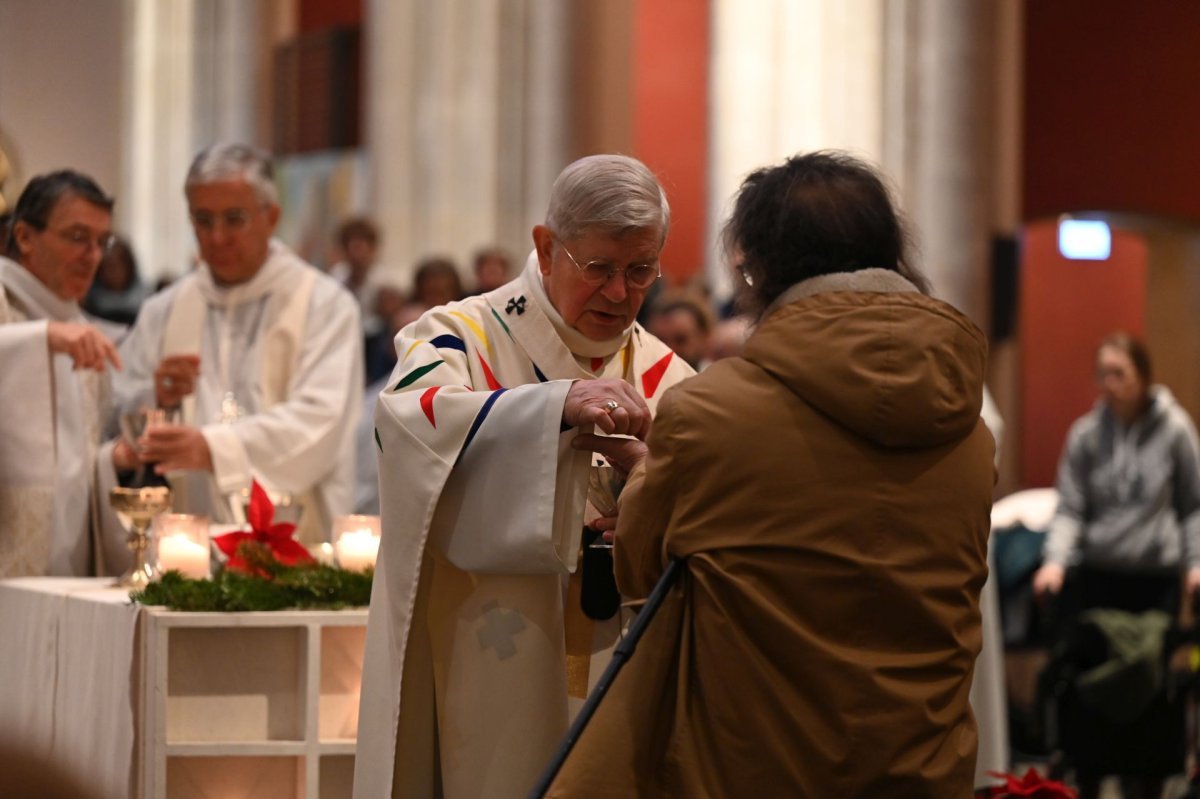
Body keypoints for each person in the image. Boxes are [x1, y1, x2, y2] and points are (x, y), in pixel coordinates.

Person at [548, 151, 995, 798]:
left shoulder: (709, 411)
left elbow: (638, 569)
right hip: (920, 768)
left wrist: (649, 475)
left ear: (755, 268)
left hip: (753, 767)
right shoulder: (970, 433)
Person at [354, 154, 695, 799]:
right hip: (486, 662)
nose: (621, 293)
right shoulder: (462, 337)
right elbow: (405, 421)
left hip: (619, 662)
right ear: (545, 247)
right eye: (599, 268)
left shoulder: (667, 376)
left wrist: (656, 495)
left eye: (640, 270)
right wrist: (551, 409)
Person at [113, 143, 362, 543]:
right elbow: (118, 407)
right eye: (203, 220)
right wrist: (154, 397)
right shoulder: (164, 310)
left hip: (297, 543)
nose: (217, 237)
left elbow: (322, 420)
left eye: (234, 219)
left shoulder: (324, 304)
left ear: (272, 217)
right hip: (183, 544)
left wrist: (213, 448)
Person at [1031, 332, 1200, 799]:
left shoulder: (1175, 430)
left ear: (1143, 376)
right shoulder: (1086, 435)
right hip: (1099, 583)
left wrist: (1195, 564)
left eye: (1119, 374)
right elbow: (1070, 509)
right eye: (1103, 374)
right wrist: (1054, 564)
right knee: (1095, 702)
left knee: (1147, 698)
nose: (1110, 384)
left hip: (1154, 583)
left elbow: (1193, 507)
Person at [0, 170, 138, 577]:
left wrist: (111, 460)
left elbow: (73, 466)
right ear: (24, 237)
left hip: (67, 572)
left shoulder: (81, 330)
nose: (94, 256)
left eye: (101, 242)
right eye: (78, 237)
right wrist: (40, 338)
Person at [645, 290, 714, 370]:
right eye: (660, 341)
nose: (669, 349)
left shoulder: (721, 380)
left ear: (704, 338)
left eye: (680, 340)